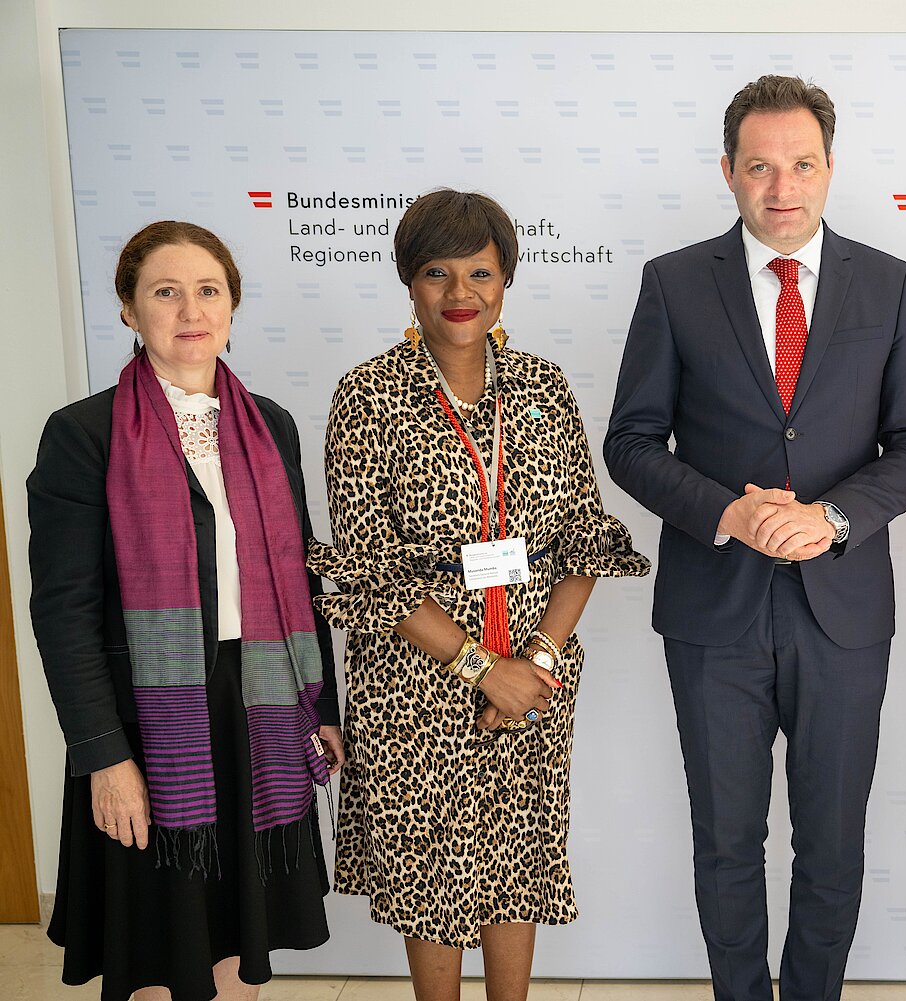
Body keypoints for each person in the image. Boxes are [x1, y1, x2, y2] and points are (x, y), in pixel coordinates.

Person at [603, 75, 906, 1001]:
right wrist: (730, 510)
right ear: (729, 171)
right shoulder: (674, 282)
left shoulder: (888, 281)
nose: (781, 187)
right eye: (760, 167)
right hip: (715, 614)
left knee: (832, 841)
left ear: (831, 168)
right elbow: (630, 441)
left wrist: (831, 517)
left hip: (842, 613)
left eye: (801, 164)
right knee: (725, 840)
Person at [309, 188, 648, 1001]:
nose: (460, 293)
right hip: (416, 683)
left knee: (514, 860)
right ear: (409, 281)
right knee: (434, 875)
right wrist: (478, 666)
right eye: (437, 272)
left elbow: (582, 539)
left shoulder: (544, 386)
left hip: (535, 676)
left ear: (505, 280)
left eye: (480, 272)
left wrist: (532, 659)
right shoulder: (368, 395)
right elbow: (372, 566)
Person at [28, 220, 343, 1001]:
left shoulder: (269, 424)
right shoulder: (83, 433)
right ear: (130, 312)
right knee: (155, 940)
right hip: (147, 721)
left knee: (241, 934)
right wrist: (103, 754)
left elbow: (298, 580)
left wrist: (322, 707)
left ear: (232, 306)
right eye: (164, 292)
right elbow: (63, 611)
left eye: (208, 290)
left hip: (258, 713)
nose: (190, 309)